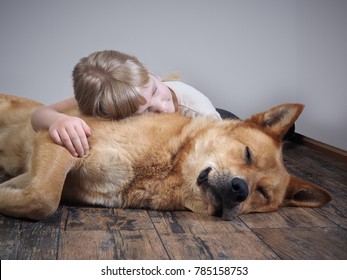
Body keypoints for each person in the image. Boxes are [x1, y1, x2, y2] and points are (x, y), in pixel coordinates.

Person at [31, 50, 228, 158]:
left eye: (153, 90)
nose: (160, 106)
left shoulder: (200, 111)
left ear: (152, 75)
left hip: (224, 120)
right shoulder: (108, 99)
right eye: (147, 111)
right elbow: (39, 113)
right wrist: (58, 120)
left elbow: (223, 150)